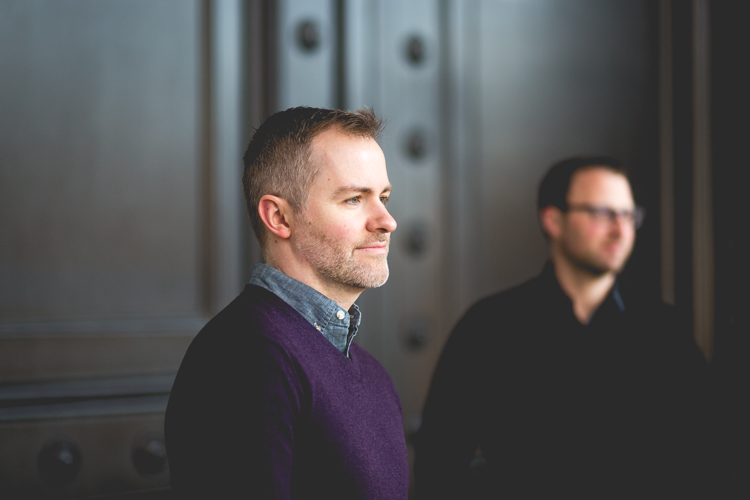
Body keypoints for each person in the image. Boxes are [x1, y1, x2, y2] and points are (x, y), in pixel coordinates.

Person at [415, 157, 710, 498]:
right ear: (553, 220)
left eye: (629, 215)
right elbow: (438, 463)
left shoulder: (664, 330)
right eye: (603, 213)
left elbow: (706, 450)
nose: (621, 230)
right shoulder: (489, 327)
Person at [165, 107, 408, 499]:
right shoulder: (247, 356)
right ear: (278, 217)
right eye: (353, 199)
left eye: (383, 196)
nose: (386, 220)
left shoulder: (370, 372)